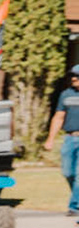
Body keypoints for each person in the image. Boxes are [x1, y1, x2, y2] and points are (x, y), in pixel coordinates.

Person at [47, 66, 79, 217]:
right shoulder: (65, 95)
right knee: (68, 172)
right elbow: (58, 117)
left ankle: (74, 207)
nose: (74, 78)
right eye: (72, 75)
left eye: (77, 76)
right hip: (69, 139)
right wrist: (50, 139)